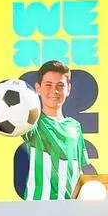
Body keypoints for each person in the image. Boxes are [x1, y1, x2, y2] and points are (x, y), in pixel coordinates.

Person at [20, 60, 91, 201]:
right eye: (48, 85)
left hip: (70, 209)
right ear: (38, 88)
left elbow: (79, 171)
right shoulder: (33, 121)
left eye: (60, 85)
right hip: (38, 207)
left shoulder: (75, 127)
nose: (54, 91)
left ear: (68, 89)